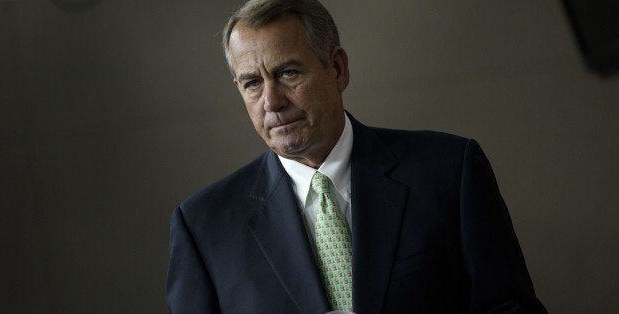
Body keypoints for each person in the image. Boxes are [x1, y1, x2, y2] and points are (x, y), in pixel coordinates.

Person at [166, 0, 548, 313]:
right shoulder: (204, 226)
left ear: (337, 68)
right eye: (252, 83)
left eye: (288, 73)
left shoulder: (449, 170)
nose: (272, 101)